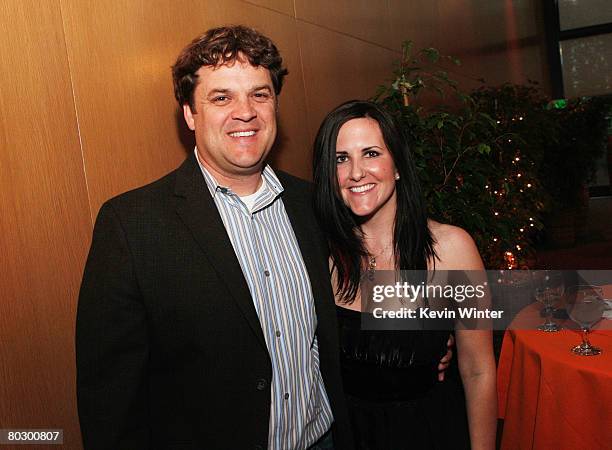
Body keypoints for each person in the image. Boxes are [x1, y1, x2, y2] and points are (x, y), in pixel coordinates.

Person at [75, 25, 354, 450]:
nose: (246, 112)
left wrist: (420, 340)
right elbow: (110, 397)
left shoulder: (313, 204)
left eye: (259, 94)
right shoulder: (133, 225)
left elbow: (358, 286)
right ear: (190, 113)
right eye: (222, 97)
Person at [312, 100, 497, 450]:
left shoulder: (452, 249)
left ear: (396, 164)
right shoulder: (320, 255)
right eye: (341, 158)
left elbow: (478, 370)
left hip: (431, 434)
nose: (356, 172)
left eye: (370, 153)